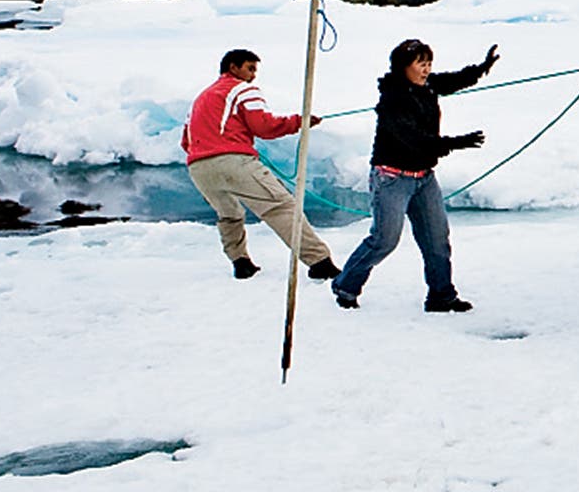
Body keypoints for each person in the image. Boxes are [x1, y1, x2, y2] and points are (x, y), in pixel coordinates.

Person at [328, 38, 496, 312]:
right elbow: (415, 140)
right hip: (392, 178)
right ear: (403, 66)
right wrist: (455, 142)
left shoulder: (427, 85)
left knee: (437, 240)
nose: (426, 69)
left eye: (429, 63)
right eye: (420, 63)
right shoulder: (393, 100)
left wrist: (482, 68)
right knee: (384, 240)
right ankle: (346, 285)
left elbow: (452, 81)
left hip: (424, 178)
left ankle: (441, 296)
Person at [183, 48, 341, 281]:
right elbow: (263, 126)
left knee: (229, 214)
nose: (253, 75)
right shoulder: (243, 89)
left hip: (199, 168)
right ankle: (320, 263)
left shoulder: (200, 99)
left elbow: (185, 140)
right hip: (234, 161)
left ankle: (241, 262)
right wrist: (299, 122)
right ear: (233, 68)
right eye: (250, 68)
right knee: (281, 207)